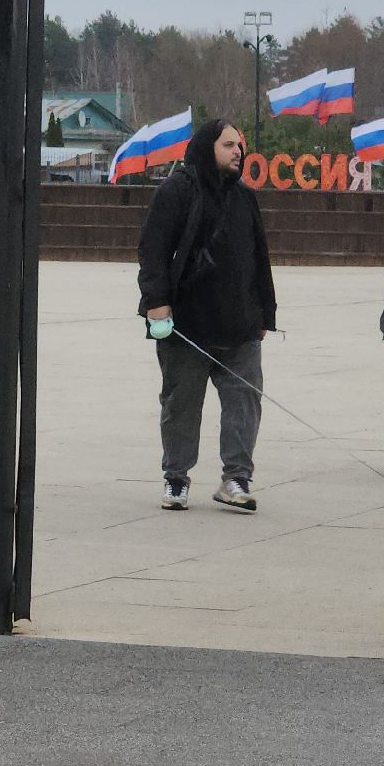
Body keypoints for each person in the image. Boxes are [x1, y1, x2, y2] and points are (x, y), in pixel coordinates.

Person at [136, 119, 276, 513]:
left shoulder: (245, 197)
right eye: (229, 144)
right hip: (186, 326)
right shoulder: (177, 190)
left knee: (244, 403)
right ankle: (176, 478)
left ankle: (236, 478)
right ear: (206, 148)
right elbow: (153, 251)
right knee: (181, 405)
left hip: (240, 325)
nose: (238, 152)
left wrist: (265, 310)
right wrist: (156, 303)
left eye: (240, 146)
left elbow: (259, 258)